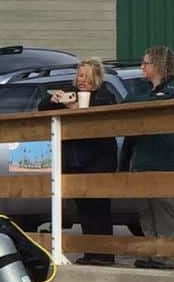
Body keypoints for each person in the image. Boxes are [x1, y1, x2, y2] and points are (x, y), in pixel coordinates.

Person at [40, 58, 118, 265]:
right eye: (79, 75)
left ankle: (105, 253)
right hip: (74, 160)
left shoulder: (104, 95)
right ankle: (90, 251)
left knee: (99, 207)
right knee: (83, 207)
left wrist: (76, 108)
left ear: (95, 77)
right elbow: (41, 107)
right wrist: (55, 101)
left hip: (98, 159)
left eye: (85, 75)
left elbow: (104, 120)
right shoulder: (70, 93)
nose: (80, 79)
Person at [121, 45, 174, 269]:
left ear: (159, 64)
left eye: (146, 63)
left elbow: (156, 104)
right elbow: (127, 103)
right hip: (142, 156)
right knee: (145, 208)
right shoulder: (141, 88)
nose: (142, 67)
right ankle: (153, 250)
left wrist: (144, 101)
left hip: (164, 157)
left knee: (164, 207)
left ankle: (170, 253)